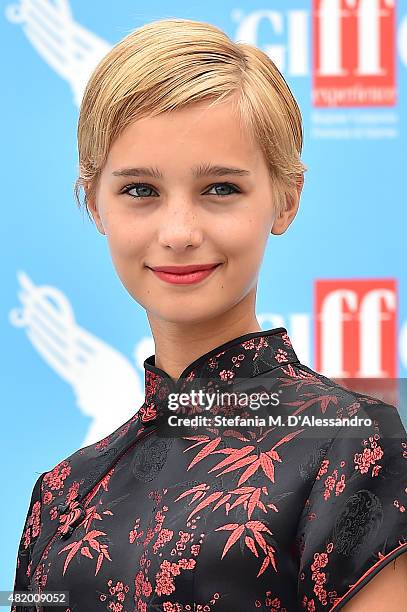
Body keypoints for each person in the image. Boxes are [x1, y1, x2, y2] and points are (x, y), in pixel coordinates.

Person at [12, 17, 407, 612]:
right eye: (140, 190)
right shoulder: (62, 495)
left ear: (286, 197)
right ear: (93, 202)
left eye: (220, 188)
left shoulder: (357, 448)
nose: (178, 233)